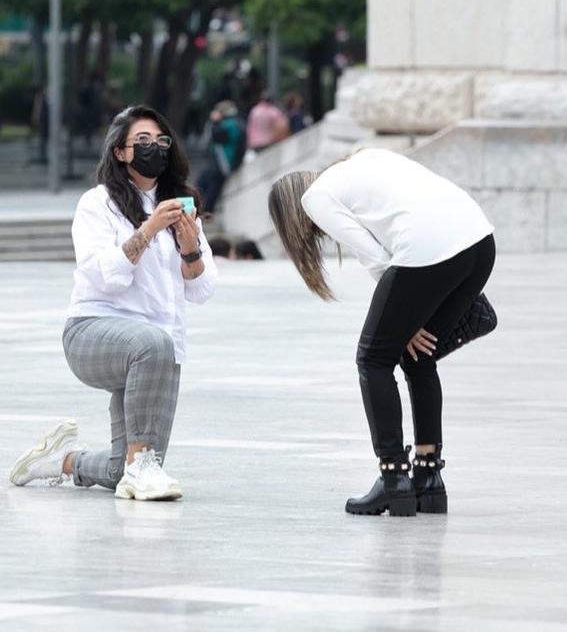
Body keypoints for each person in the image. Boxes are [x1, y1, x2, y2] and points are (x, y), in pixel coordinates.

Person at [267, 148, 495, 517]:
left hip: (430, 249)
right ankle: (428, 478)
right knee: (420, 358)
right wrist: (408, 319)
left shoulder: (315, 199)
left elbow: (374, 256)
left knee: (373, 358)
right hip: (481, 242)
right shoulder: (366, 159)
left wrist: (406, 318)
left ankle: (393, 479)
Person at [8, 105, 216, 501]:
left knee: (121, 467)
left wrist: (190, 250)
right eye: (142, 141)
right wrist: (150, 228)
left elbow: (202, 290)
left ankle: (62, 461)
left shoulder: (181, 205)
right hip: (92, 332)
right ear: (120, 151)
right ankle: (142, 471)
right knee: (155, 346)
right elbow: (104, 276)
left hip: (157, 349)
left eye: (161, 141)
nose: (154, 148)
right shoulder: (97, 204)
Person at [196, 100, 244, 215]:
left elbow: (215, 135)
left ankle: (206, 211)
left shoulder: (230, 124)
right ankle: (205, 210)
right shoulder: (236, 122)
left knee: (208, 186)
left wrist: (215, 122)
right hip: (222, 161)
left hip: (222, 161)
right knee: (206, 184)